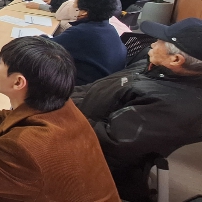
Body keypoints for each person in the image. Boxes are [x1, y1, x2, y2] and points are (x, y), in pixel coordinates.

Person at [0, 36, 119, 201]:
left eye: (0, 62)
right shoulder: (59, 105)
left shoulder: (25, 148)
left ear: (18, 82)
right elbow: (4, 122)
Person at [72, 18, 202, 202]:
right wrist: (57, 94)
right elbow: (94, 89)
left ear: (175, 60)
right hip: (77, 119)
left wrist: (58, 113)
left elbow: (107, 143)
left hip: (96, 163)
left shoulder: (174, 106)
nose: (153, 43)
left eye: (160, 41)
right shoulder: (152, 66)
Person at [50, 0, 127, 85]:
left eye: (76, 7)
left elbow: (47, 46)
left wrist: (39, 36)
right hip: (104, 83)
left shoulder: (82, 32)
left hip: (83, 87)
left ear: (85, 12)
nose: (73, 7)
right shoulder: (109, 28)